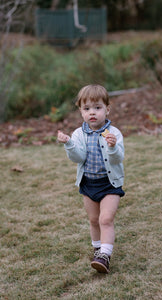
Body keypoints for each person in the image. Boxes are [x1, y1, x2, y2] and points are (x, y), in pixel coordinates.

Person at [57, 84, 125, 274]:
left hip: (109, 183)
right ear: (81, 112)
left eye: (97, 108)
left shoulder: (114, 133)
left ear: (107, 109)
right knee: (94, 220)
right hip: (88, 183)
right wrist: (69, 143)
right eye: (87, 109)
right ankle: (98, 249)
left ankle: (105, 255)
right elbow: (78, 158)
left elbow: (118, 158)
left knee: (106, 219)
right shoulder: (79, 134)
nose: (92, 112)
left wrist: (112, 147)